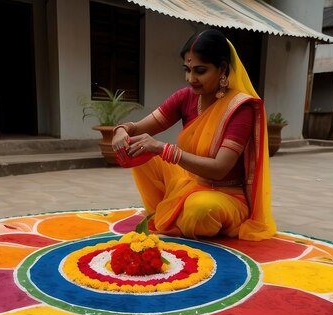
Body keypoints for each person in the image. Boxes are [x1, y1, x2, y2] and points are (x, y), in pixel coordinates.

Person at [112, 29, 276, 241]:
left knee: (199, 211)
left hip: (225, 194)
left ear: (223, 68)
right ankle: (166, 210)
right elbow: (140, 128)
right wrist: (121, 131)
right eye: (187, 70)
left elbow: (219, 169)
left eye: (200, 70)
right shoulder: (186, 97)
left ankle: (176, 213)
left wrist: (163, 149)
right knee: (139, 150)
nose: (191, 78)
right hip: (189, 180)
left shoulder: (240, 108)